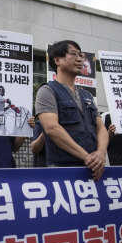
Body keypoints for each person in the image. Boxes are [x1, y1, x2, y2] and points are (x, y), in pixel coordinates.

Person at [35, 40, 108, 180]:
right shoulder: (48, 90)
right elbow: (52, 128)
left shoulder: (87, 95)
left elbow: (100, 128)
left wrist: (100, 154)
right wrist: (87, 157)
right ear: (57, 60)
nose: (80, 59)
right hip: (63, 170)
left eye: (81, 55)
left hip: (92, 169)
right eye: (74, 54)